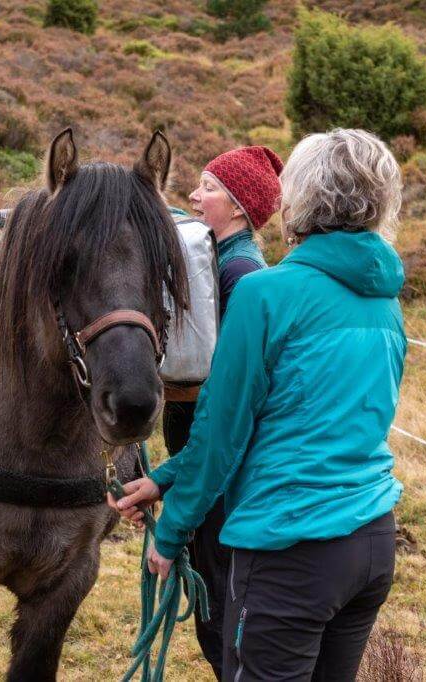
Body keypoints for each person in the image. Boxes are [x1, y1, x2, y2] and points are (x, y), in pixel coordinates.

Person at [116, 128, 406, 681]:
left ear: (300, 196)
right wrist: (165, 477)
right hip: (372, 538)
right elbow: (310, 419)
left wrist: (173, 528)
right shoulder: (385, 300)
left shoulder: (263, 293)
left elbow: (223, 434)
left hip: (291, 550)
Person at [160, 145, 283, 678]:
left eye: (208, 187)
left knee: (218, 594)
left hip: (216, 461)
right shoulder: (221, 262)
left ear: (237, 207)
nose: (193, 195)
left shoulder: (239, 273)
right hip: (204, 452)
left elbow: (230, 394)